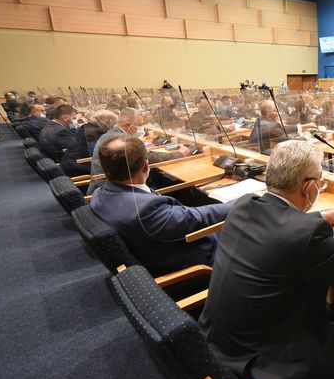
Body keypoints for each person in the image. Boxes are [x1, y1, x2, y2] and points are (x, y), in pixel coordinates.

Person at [199, 140, 334, 379]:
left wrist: (320, 216)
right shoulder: (308, 235)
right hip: (269, 365)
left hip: (215, 343)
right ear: (309, 187)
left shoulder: (244, 204)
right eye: (320, 182)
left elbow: (279, 225)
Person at [90, 134, 233, 276]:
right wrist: (238, 203)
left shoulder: (98, 194)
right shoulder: (144, 210)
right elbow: (198, 218)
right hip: (194, 264)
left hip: (150, 248)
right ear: (146, 166)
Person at [87, 108, 189, 195]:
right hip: (110, 192)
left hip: (105, 188)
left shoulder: (111, 134)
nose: (141, 128)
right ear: (128, 125)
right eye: (139, 125)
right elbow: (150, 158)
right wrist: (180, 153)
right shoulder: (122, 140)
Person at [61, 109, 118, 177]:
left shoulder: (85, 128)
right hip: (78, 168)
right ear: (108, 122)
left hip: (70, 164)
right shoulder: (95, 133)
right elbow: (98, 155)